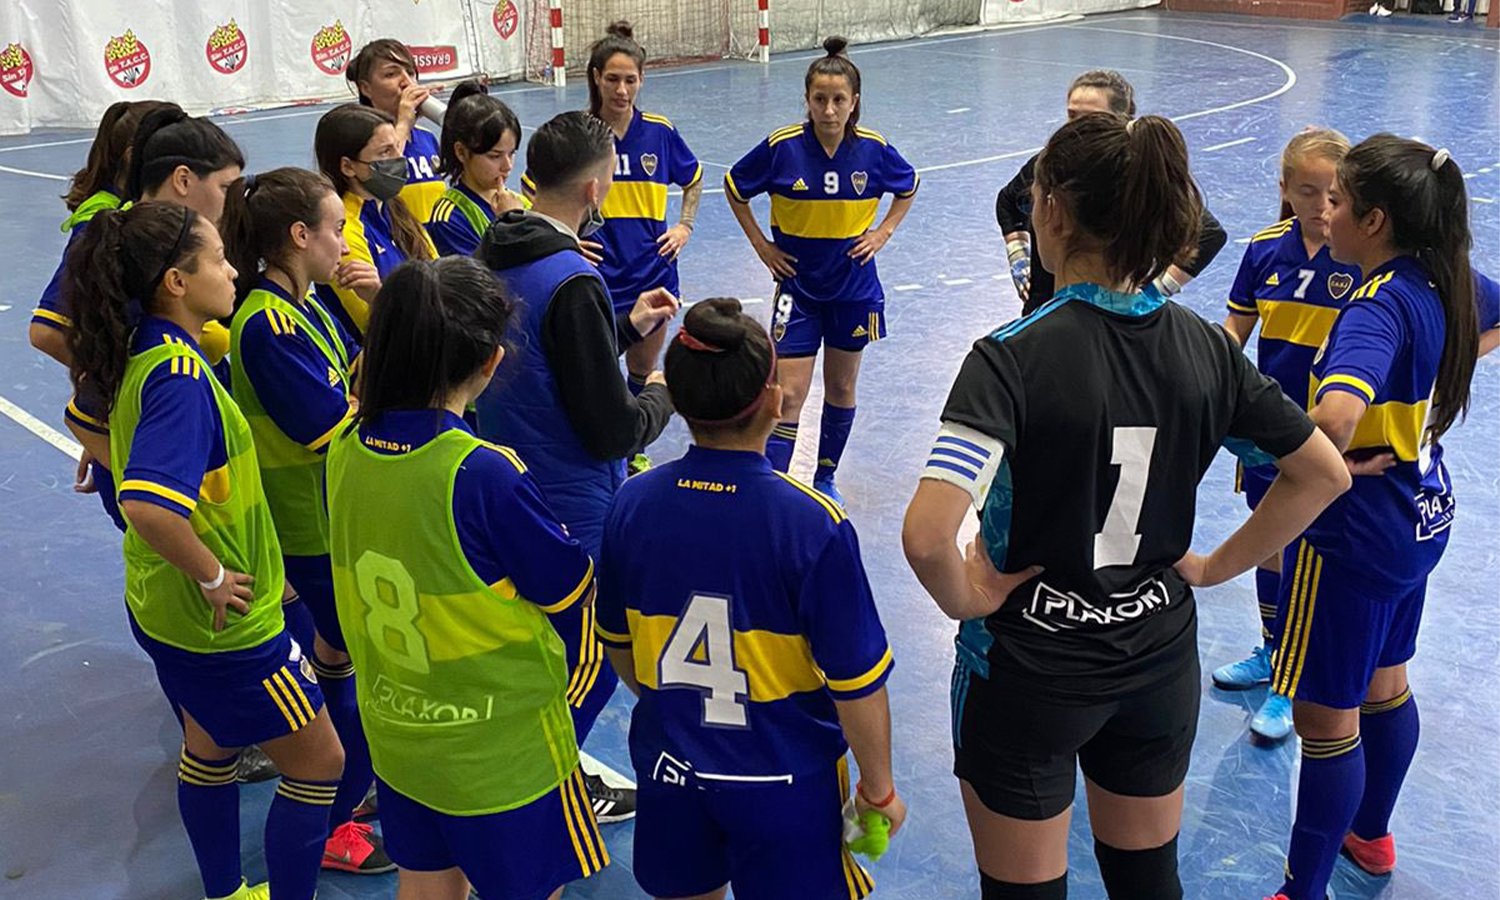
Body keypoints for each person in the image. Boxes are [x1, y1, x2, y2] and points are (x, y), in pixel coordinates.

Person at [901, 111, 1350, 900]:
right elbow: (1322, 473)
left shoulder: (1009, 359)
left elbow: (929, 535)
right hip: (1156, 658)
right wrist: (1210, 568)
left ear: (1052, 212)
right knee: (1148, 884)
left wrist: (971, 595)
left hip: (1028, 667)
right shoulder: (1207, 346)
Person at [63, 201, 345, 900]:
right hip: (224, 627)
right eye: (217, 260)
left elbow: (107, 440)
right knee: (320, 765)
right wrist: (217, 575)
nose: (231, 270)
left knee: (209, 744)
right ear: (175, 283)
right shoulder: (181, 381)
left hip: (162, 607)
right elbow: (148, 506)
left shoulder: (145, 351)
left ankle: (226, 890)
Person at [596, 298, 902, 900]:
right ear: (775, 399)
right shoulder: (812, 524)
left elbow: (621, 650)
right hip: (785, 782)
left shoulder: (631, 503)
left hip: (672, 769)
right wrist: (880, 789)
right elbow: (857, 681)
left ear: (678, 402)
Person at [326, 256, 608, 900]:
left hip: (399, 733)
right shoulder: (481, 473)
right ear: (488, 364)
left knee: (425, 881)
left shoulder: (344, 446)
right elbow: (571, 594)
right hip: (498, 753)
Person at [1242, 136, 1478, 900]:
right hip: (1421, 515)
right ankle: (1370, 838)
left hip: (1350, 536)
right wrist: (1428, 408)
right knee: (1386, 683)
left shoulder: (1373, 307)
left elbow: (1336, 416)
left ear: (1374, 220)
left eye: (1338, 201)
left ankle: (1301, 890)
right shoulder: (1446, 278)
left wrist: (1301, 454)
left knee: (1325, 718)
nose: (1324, 212)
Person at [475, 110, 679, 822]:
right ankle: (534, 785)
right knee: (590, 663)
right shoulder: (573, 279)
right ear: (595, 190)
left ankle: (534, 773)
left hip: (503, 481)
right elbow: (609, 429)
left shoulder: (493, 250)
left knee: (533, 650)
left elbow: (542, 364)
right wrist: (662, 394)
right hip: (572, 500)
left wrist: (621, 330)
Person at [221, 167, 392, 875]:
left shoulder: (312, 306)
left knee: (338, 657)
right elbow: (330, 422)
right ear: (300, 236)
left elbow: (359, 380)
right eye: (335, 227)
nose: (344, 239)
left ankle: (351, 794)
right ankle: (337, 819)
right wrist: (365, 402)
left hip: (331, 517)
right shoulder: (264, 323)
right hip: (308, 528)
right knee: (345, 660)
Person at [1212, 127, 1361, 743]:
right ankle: (1274, 652)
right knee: (1269, 546)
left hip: (1325, 444)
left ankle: (1289, 683)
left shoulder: (1361, 261)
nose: (1322, 208)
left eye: (1333, 195)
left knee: (1305, 555)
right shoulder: (1265, 250)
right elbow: (1234, 334)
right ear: (1284, 189)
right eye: (1308, 192)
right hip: (1269, 432)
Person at [726, 36, 918, 506]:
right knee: (789, 393)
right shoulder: (782, 148)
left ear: (854, 103)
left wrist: (883, 233)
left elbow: (908, 186)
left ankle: (826, 476)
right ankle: (774, 488)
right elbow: (735, 187)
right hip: (798, 289)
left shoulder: (874, 150)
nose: (829, 110)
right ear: (807, 100)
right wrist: (761, 246)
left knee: (841, 385)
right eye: (819, 99)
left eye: (838, 100)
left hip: (854, 289)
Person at [29, 99, 173, 532]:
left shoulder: (140, 219)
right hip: (131, 430)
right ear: (136, 156)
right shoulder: (101, 226)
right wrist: (121, 388)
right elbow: (47, 333)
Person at [995, 70, 1228, 315]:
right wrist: (1018, 254)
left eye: (1091, 118)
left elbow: (1209, 233)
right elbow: (1008, 200)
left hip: (1115, 317)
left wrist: (1159, 289)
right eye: (1072, 115)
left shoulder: (1135, 174)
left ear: (1120, 119)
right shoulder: (1048, 165)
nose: (1077, 128)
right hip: (1045, 311)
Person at [565, 21, 703, 435]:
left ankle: (632, 449)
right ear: (596, 78)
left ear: (642, 79)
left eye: (630, 80)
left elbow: (693, 178)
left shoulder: (659, 132)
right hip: (595, 275)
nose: (621, 90)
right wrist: (567, 240)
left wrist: (684, 227)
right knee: (596, 365)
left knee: (642, 368)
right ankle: (602, 440)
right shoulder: (579, 133)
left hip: (651, 270)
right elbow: (537, 189)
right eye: (612, 79)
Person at [313, 103, 436, 339]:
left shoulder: (394, 208)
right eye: (385, 153)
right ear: (348, 166)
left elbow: (440, 275)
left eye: (396, 149)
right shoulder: (344, 233)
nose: (399, 160)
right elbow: (371, 325)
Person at [345, 39, 446, 221]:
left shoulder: (426, 138)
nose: (406, 82)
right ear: (366, 88)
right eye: (391, 74)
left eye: (410, 73)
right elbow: (386, 176)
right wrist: (404, 122)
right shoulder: (362, 142)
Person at [426, 81, 525, 258]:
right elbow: (480, 282)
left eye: (511, 154)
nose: (507, 166)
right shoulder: (449, 218)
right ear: (461, 152)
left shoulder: (516, 201)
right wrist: (511, 225)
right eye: (495, 156)